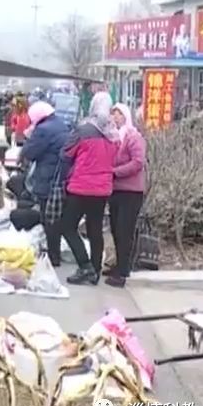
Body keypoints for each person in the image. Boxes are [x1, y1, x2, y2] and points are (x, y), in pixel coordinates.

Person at [61, 91, 118, 285]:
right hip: (102, 190)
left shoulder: (83, 129)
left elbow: (66, 154)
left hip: (80, 188)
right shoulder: (113, 133)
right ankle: (95, 271)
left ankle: (85, 266)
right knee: (95, 230)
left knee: (67, 227)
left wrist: (66, 176)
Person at [19, 101, 70, 266]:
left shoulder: (43, 130)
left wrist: (29, 136)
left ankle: (53, 256)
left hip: (47, 178)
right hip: (60, 176)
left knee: (48, 218)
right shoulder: (60, 124)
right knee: (56, 218)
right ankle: (55, 253)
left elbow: (30, 152)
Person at [105, 103, 146, 288]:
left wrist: (115, 172)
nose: (115, 117)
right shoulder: (113, 138)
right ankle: (119, 265)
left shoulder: (133, 137)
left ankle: (122, 271)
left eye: (119, 114)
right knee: (115, 228)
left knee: (124, 230)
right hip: (116, 190)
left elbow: (138, 162)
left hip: (131, 191)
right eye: (113, 113)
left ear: (126, 116)